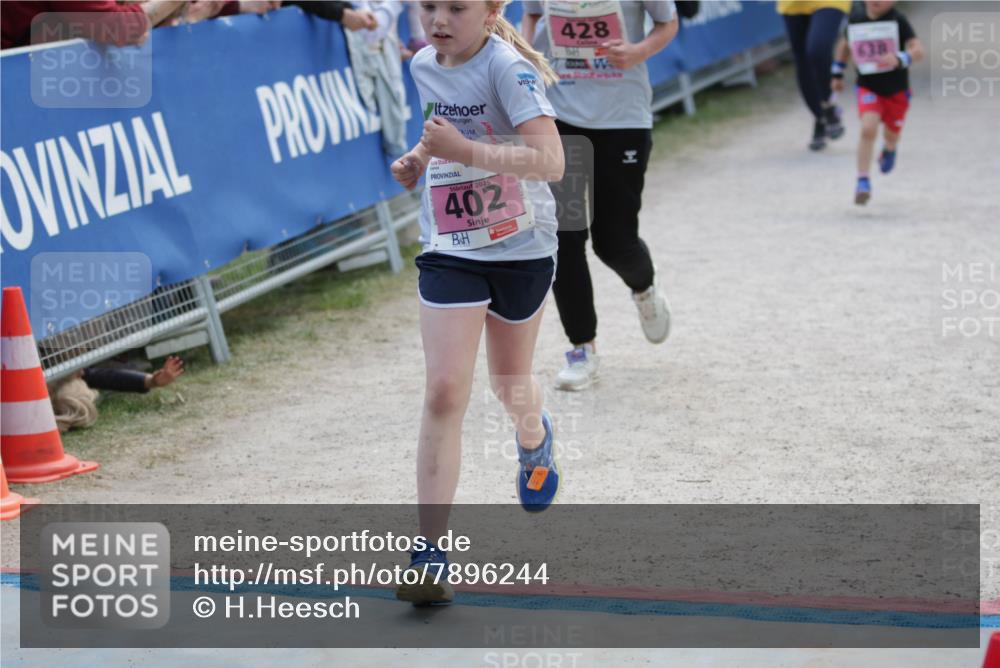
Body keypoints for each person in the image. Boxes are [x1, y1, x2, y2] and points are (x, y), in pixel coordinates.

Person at [390, 0, 564, 606]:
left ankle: (534, 436)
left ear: (491, 11)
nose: (438, 19)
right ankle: (429, 556)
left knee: (509, 381)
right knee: (443, 389)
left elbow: (551, 161)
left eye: (455, 7)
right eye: (427, 6)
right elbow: (441, 128)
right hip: (451, 243)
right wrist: (421, 157)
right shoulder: (422, 65)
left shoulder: (507, 68)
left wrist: (465, 152)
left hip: (522, 243)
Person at [521, 1, 678, 391]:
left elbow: (667, 22)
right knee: (564, 234)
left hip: (622, 114)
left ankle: (643, 287)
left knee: (614, 242)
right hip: (559, 113)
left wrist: (639, 51)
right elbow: (533, 15)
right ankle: (582, 347)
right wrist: (523, 63)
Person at [831, 0, 922, 205]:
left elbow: (918, 50)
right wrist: (837, 73)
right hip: (868, 86)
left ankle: (889, 148)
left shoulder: (898, 20)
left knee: (892, 134)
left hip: (897, 91)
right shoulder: (855, 20)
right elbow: (844, 46)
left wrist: (902, 57)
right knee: (868, 128)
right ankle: (862, 180)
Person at [777, 0, 852, 150]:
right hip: (793, 4)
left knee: (817, 50)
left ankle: (828, 105)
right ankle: (820, 117)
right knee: (802, 60)